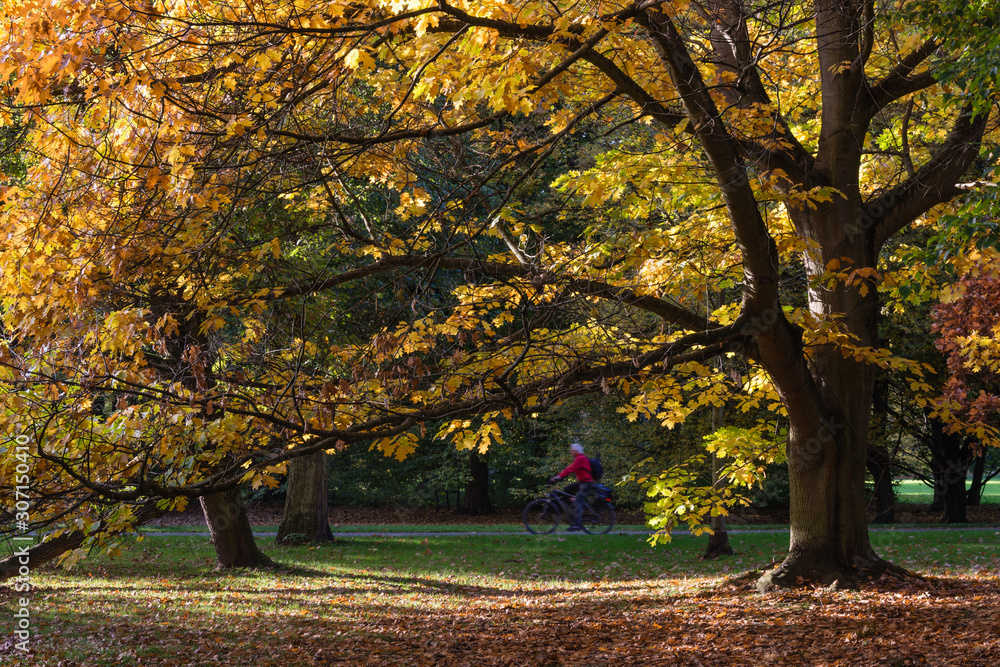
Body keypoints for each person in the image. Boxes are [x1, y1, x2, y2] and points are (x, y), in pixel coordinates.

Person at [550, 442, 595, 531]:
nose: (571, 452)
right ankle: (573, 504)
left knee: (578, 501)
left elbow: (570, 469)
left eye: (572, 450)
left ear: (577, 451)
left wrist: (558, 477)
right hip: (582, 482)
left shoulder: (581, 458)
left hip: (587, 483)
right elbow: (570, 469)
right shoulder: (578, 458)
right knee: (567, 489)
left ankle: (577, 525)